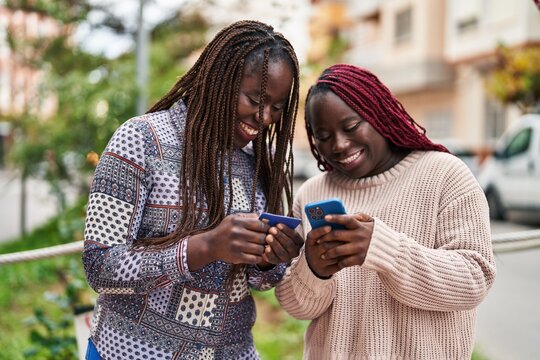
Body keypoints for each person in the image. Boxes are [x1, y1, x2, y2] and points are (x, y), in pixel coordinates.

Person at [82, 20, 304, 360]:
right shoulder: (141, 140)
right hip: (132, 351)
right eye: (255, 99)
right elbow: (101, 266)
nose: (266, 118)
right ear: (219, 80)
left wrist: (269, 259)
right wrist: (206, 246)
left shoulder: (261, 160)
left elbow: (260, 282)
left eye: (276, 107)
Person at [275, 64, 496, 360]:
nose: (339, 145)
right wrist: (314, 269)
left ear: (378, 113)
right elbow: (298, 307)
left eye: (351, 127)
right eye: (323, 136)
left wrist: (383, 249)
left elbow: (474, 281)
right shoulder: (313, 193)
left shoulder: (445, 174)